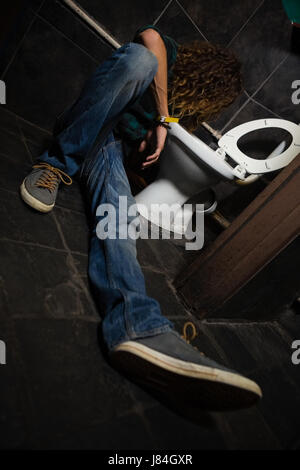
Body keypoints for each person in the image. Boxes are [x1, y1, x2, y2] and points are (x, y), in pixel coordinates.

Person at [19, 25, 262, 411]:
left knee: (121, 219)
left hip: (108, 151)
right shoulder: (169, 56)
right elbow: (148, 37)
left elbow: (135, 156)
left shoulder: (180, 115)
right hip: (84, 128)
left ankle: (138, 325)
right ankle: (54, 163)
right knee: (139, 59)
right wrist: (164, 120)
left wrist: (144, 151)